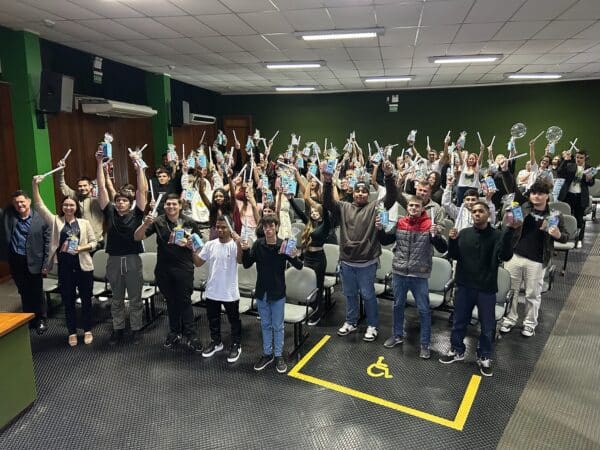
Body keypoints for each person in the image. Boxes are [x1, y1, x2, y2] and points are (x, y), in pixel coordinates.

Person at [439, 201, 517, 377]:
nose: (477, 214)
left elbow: (506, 256)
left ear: (488, 214)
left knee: (487, 326)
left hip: (486, 288)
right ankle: (457, 350)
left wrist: (509, 232)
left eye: (481, 211)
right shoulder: (464, 233)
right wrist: (452, 241)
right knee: (459, 321)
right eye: (474, 211)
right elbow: (454, 255)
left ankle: (484, 356)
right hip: (464, 286)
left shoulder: (497, 236)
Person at [323, 160, 396, 342]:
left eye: (364, 191)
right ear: (353, 193)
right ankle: (351, 321)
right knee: (349, 294)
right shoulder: (344, 207)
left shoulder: (375, 207)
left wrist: (388, 176)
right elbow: (328, 202)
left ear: (368, 194)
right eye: (358, 191)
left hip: (367, 262)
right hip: (347, 261)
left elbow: (391, 197)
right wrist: (327, 181)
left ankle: (373, 325)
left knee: (368, 295)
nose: (361, 194)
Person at [377, 195, 447, 359]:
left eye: (417, 206)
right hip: (399, 272)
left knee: (423, 310)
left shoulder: (430, 225)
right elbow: (386, 241)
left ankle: (425, 344)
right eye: (411, 206)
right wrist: (379, 229)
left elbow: (443, 248)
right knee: (397, 306)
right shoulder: (400, 223)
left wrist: (436, 235)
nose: (413, 208)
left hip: (419, 274)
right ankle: (397, 335)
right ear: (407, 207)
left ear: (422, 208)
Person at [32, 175, 97, 347]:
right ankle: (72, 332)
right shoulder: (55, 221)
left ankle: (88, 330)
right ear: (62, 207)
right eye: (66, 205)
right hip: (65, 268)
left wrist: (81, 248)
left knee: (86, 300)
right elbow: (39, 206)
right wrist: (35, 185)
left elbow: (94, 243)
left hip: (83, 267)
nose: (68, 207)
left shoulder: (84, 223)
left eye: (71, 205)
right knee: (68, 302)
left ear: (76, 207)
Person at [134, 194, 202, 352]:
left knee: (185, 301)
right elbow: (137, 237)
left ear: (180, 206)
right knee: (171, 301)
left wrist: (191, 245)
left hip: (184, 267)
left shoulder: (189, 222)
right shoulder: (157, 221)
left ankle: (191, 335)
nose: (171, 206)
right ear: (163, 206)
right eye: (168, 204)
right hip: (164, 269)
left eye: (174, 204)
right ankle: (174, 332)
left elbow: (199, 246)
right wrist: (145, 224)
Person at [500, 180, 568, 337]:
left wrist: (558, 235)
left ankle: (530, 323)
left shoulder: (555, 215)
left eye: (540, 193)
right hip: (514, 255)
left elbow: (565, 236)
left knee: (532, 294)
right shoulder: (523, 207)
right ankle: (509, 319)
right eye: (533, 193)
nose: (536, 196)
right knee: (511, 291)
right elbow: (511, 186)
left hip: (537, 260)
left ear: (547, 196)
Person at [96, 149, 147, 344]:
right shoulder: (110, 212)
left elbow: (141, 191)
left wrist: (139, 165)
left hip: (132, 260)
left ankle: (136, 328)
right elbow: (102, 188)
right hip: (114, 261)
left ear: (130, 203)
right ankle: (118, 329)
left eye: (124, 201)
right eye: (118, 200)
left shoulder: (137, 214)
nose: (120, 203)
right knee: (116, 299)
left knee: (135, 298)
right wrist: (99, 163)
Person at [241, 214, 303, 374]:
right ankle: (267, 354)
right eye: (265, 227)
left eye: (271, 226)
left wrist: (295, 255)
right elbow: (247, 264)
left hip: (277, 292)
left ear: (276, 227)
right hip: (262, 291)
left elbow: (299, 266)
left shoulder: (284, 245)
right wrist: (245, 250)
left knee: (278, 326)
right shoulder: (258, 244)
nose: (268, 229)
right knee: (265, 325)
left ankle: (278, 355)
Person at [0, 190, 50, 334]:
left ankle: (41, 319)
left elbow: (47, 244)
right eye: (16, 203)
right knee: (24, 292)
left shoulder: (40, 220)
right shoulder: (9, 216)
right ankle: (29, 318)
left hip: (35, 262)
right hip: (16, 262)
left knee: (37, 292)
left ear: (29, 201)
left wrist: (46, 264)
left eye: (22, 201)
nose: (19, 205)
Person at [197, 216, 243, 363]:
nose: (220, 230)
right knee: (213, 320)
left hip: (230, 292)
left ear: (230, 228)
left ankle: (236, 344)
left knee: (234, 321)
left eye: (223, 227)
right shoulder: (210, 244)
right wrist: (191, 249)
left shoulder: (234, 245)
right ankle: (216, 342)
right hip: (212, 290)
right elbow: (198, 262)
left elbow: (240, 260)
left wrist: (239, 244)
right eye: (217, 227)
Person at [289, 198, 332, 326]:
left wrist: (324, 199)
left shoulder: (325, 225)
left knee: (317, 287)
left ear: (321, 213)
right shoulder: (309, 224)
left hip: (318, 259)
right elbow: (299, 212)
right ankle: (308, 312)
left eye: (316, 212)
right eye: (312, 212)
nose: (313, 214)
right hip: (308, 257)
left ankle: (317, 314)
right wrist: (290, 199)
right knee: (308, 285)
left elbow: (326, 213)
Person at [56, 160, 104, 250]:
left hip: (97, 242)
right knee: (73, 256)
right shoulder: (74, 197)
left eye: (85, 185)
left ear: (91, 186)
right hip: (78, 240)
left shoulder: (99, 200)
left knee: (98, 259)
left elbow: (104, 188)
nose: (82, 188)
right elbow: (62, 185)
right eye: (80, 186)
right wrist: (60, 171)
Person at [557, 149, 595, 248]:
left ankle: (579, 239)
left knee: (579, 219)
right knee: (564, 217)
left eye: (581, 158)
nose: (578, 159)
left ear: (585, 158)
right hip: (568, 195)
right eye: (577, 157)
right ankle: (563, 237)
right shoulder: (570, 165)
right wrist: (565, 160)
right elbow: (560, 173)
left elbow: (591, 183)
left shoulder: (589, 168)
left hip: (580, 197)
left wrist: (589, 179)